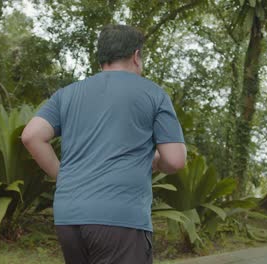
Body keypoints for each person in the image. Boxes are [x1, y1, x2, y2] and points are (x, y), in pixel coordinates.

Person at [22, 24, 186, 264]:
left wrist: (66, 177)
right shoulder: (153, 94)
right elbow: (175, 159)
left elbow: (31, 136)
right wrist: (156, 163)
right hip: (120, 219)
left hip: (69, 217)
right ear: (136, 56)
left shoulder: (67, 93)